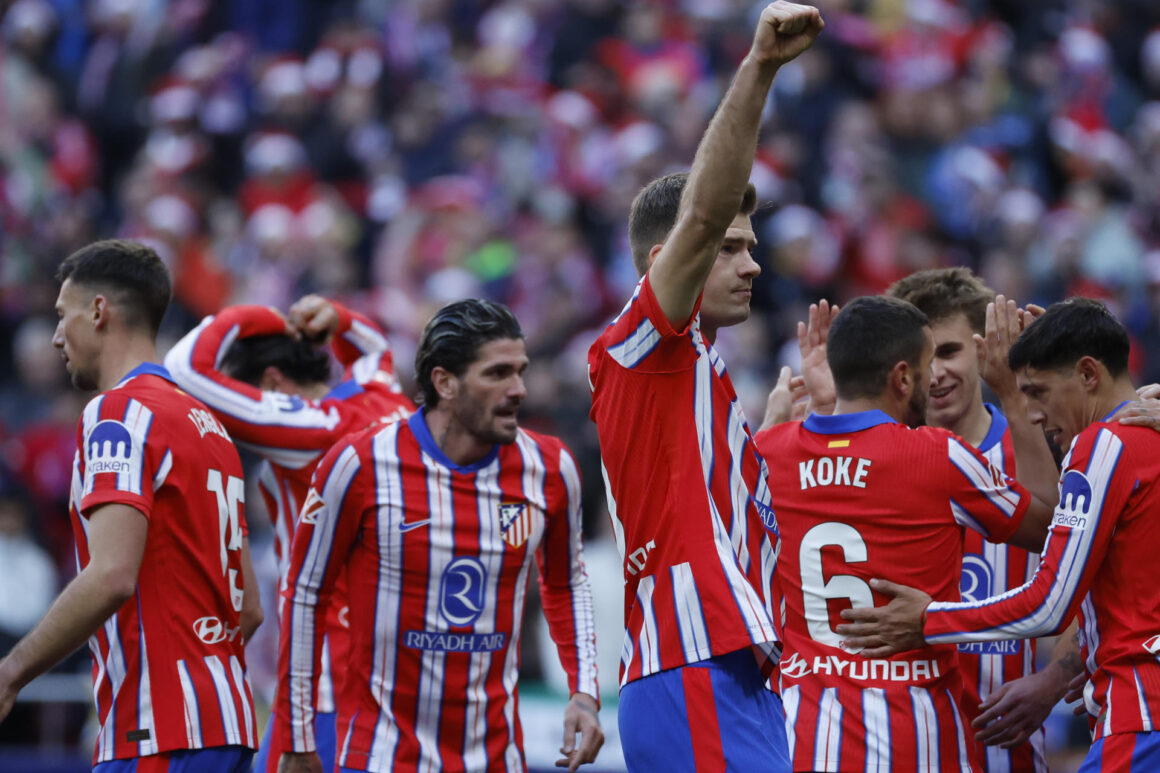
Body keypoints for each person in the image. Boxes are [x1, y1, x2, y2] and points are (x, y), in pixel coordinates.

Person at [586, 3, 824, 770]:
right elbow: (699, 215)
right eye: (730, 248)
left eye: (751, 247)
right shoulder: (641, 339)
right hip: (692, 660)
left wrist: (769, 434)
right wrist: (759, 70)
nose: (752, 264)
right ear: (669, 258)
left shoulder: (697, 366)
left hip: (725, 665)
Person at [275, 299, 602, 773]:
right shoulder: (359, 463)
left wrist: (585, 691)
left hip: (496, 757)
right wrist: (297, 735)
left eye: (521, 371)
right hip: (380, 756)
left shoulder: (550, 469)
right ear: (444, 382)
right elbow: (305, 595)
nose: (519, 390)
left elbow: (566, 583)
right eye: (497, 374)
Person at [838, 298, 1160, 772]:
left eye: (1039, 391)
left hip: (1141, 715)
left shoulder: (1104, 443)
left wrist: (929, 620)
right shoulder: (1149, 439)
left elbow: (1051, 603)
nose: (1032, 414)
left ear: (1089, 374)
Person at [754, 295, 1052, 772]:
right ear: (902, 377)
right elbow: (1050, 529)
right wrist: (1015, 397)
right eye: (927, 363)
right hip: (916, 735)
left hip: (801, 739)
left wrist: (794, 418)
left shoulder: (769, 453)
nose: (934, 378)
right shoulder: (938, 455)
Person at [0, 239, 261, 771]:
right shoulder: (209, 428)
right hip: (228, 721)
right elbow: (248, 609)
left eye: (61, 316)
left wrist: (12, 672)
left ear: (98, 312)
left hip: (159, 731)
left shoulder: (117, 414)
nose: (55, 337)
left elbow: (113, 574)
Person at [164, 295, 414, 773]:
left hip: (327, 686)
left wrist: (257, 314)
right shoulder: (384, 394)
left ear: (272, 384)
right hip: (405, 677)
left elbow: (185, 368)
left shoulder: (314, 427)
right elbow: (373, 345)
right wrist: (336, 318)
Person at [887, 268, 1069, 771]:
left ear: (985, 350)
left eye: (949, 352)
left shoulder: (1045, 450)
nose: (936, 374)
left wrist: (1050, 683)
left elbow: (1090, 581)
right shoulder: (881, 463)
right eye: (923, 360)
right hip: (906, 741)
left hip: (1006, 749)